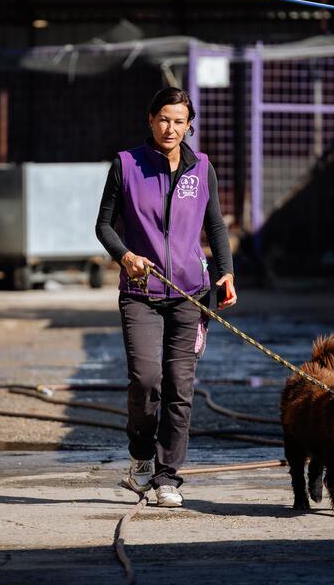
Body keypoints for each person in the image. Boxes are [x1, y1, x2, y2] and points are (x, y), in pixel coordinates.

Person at [95, 86, 236, 507]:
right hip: (140, 291)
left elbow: (216, 228)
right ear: (150, 119)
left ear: (189, 125)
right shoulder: (126, 165)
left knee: (180, 386)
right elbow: (104, 226)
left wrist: (225, 273)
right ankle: (140, 457)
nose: (171, 128)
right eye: (164, 119)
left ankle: (167, 476)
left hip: (190, 294)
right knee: (146, 380)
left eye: (179, 121)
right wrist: (125, 256)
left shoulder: (202, 168)